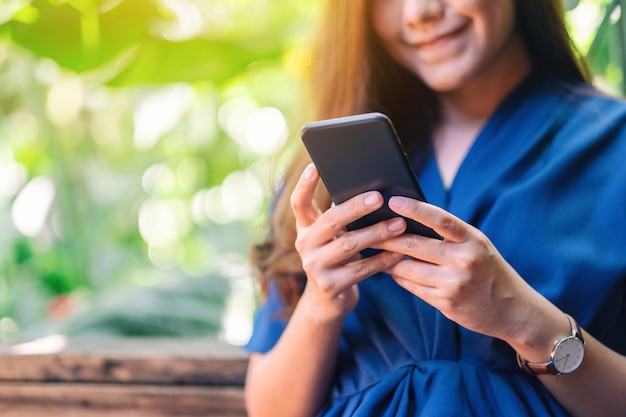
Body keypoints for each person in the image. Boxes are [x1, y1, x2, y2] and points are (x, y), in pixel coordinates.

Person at [244, 0, 626, 416]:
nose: (418, 12)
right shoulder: (323, 173)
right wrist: (321, 302)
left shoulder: (614, 148)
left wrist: (523, 319)